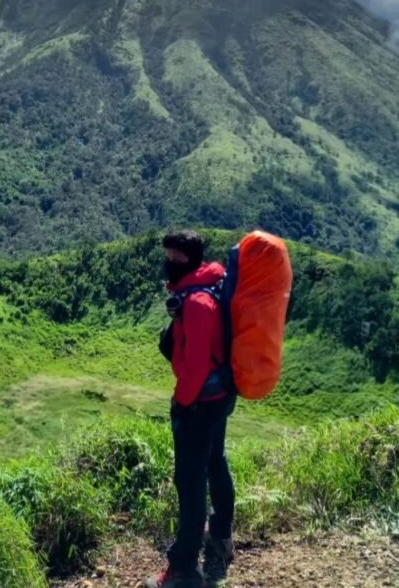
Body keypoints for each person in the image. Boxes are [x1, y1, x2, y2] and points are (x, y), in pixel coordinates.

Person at [146, 231, 236, 588]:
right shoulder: (210, 287)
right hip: (218, 398)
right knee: (216, 463)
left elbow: (196, 367)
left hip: (199, 404)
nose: (168, 261)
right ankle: (220, 535)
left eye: (173, 256)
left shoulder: (198, 303)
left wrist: (181, 403)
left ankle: (183, 569)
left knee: (190, 482)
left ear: (186, 259)